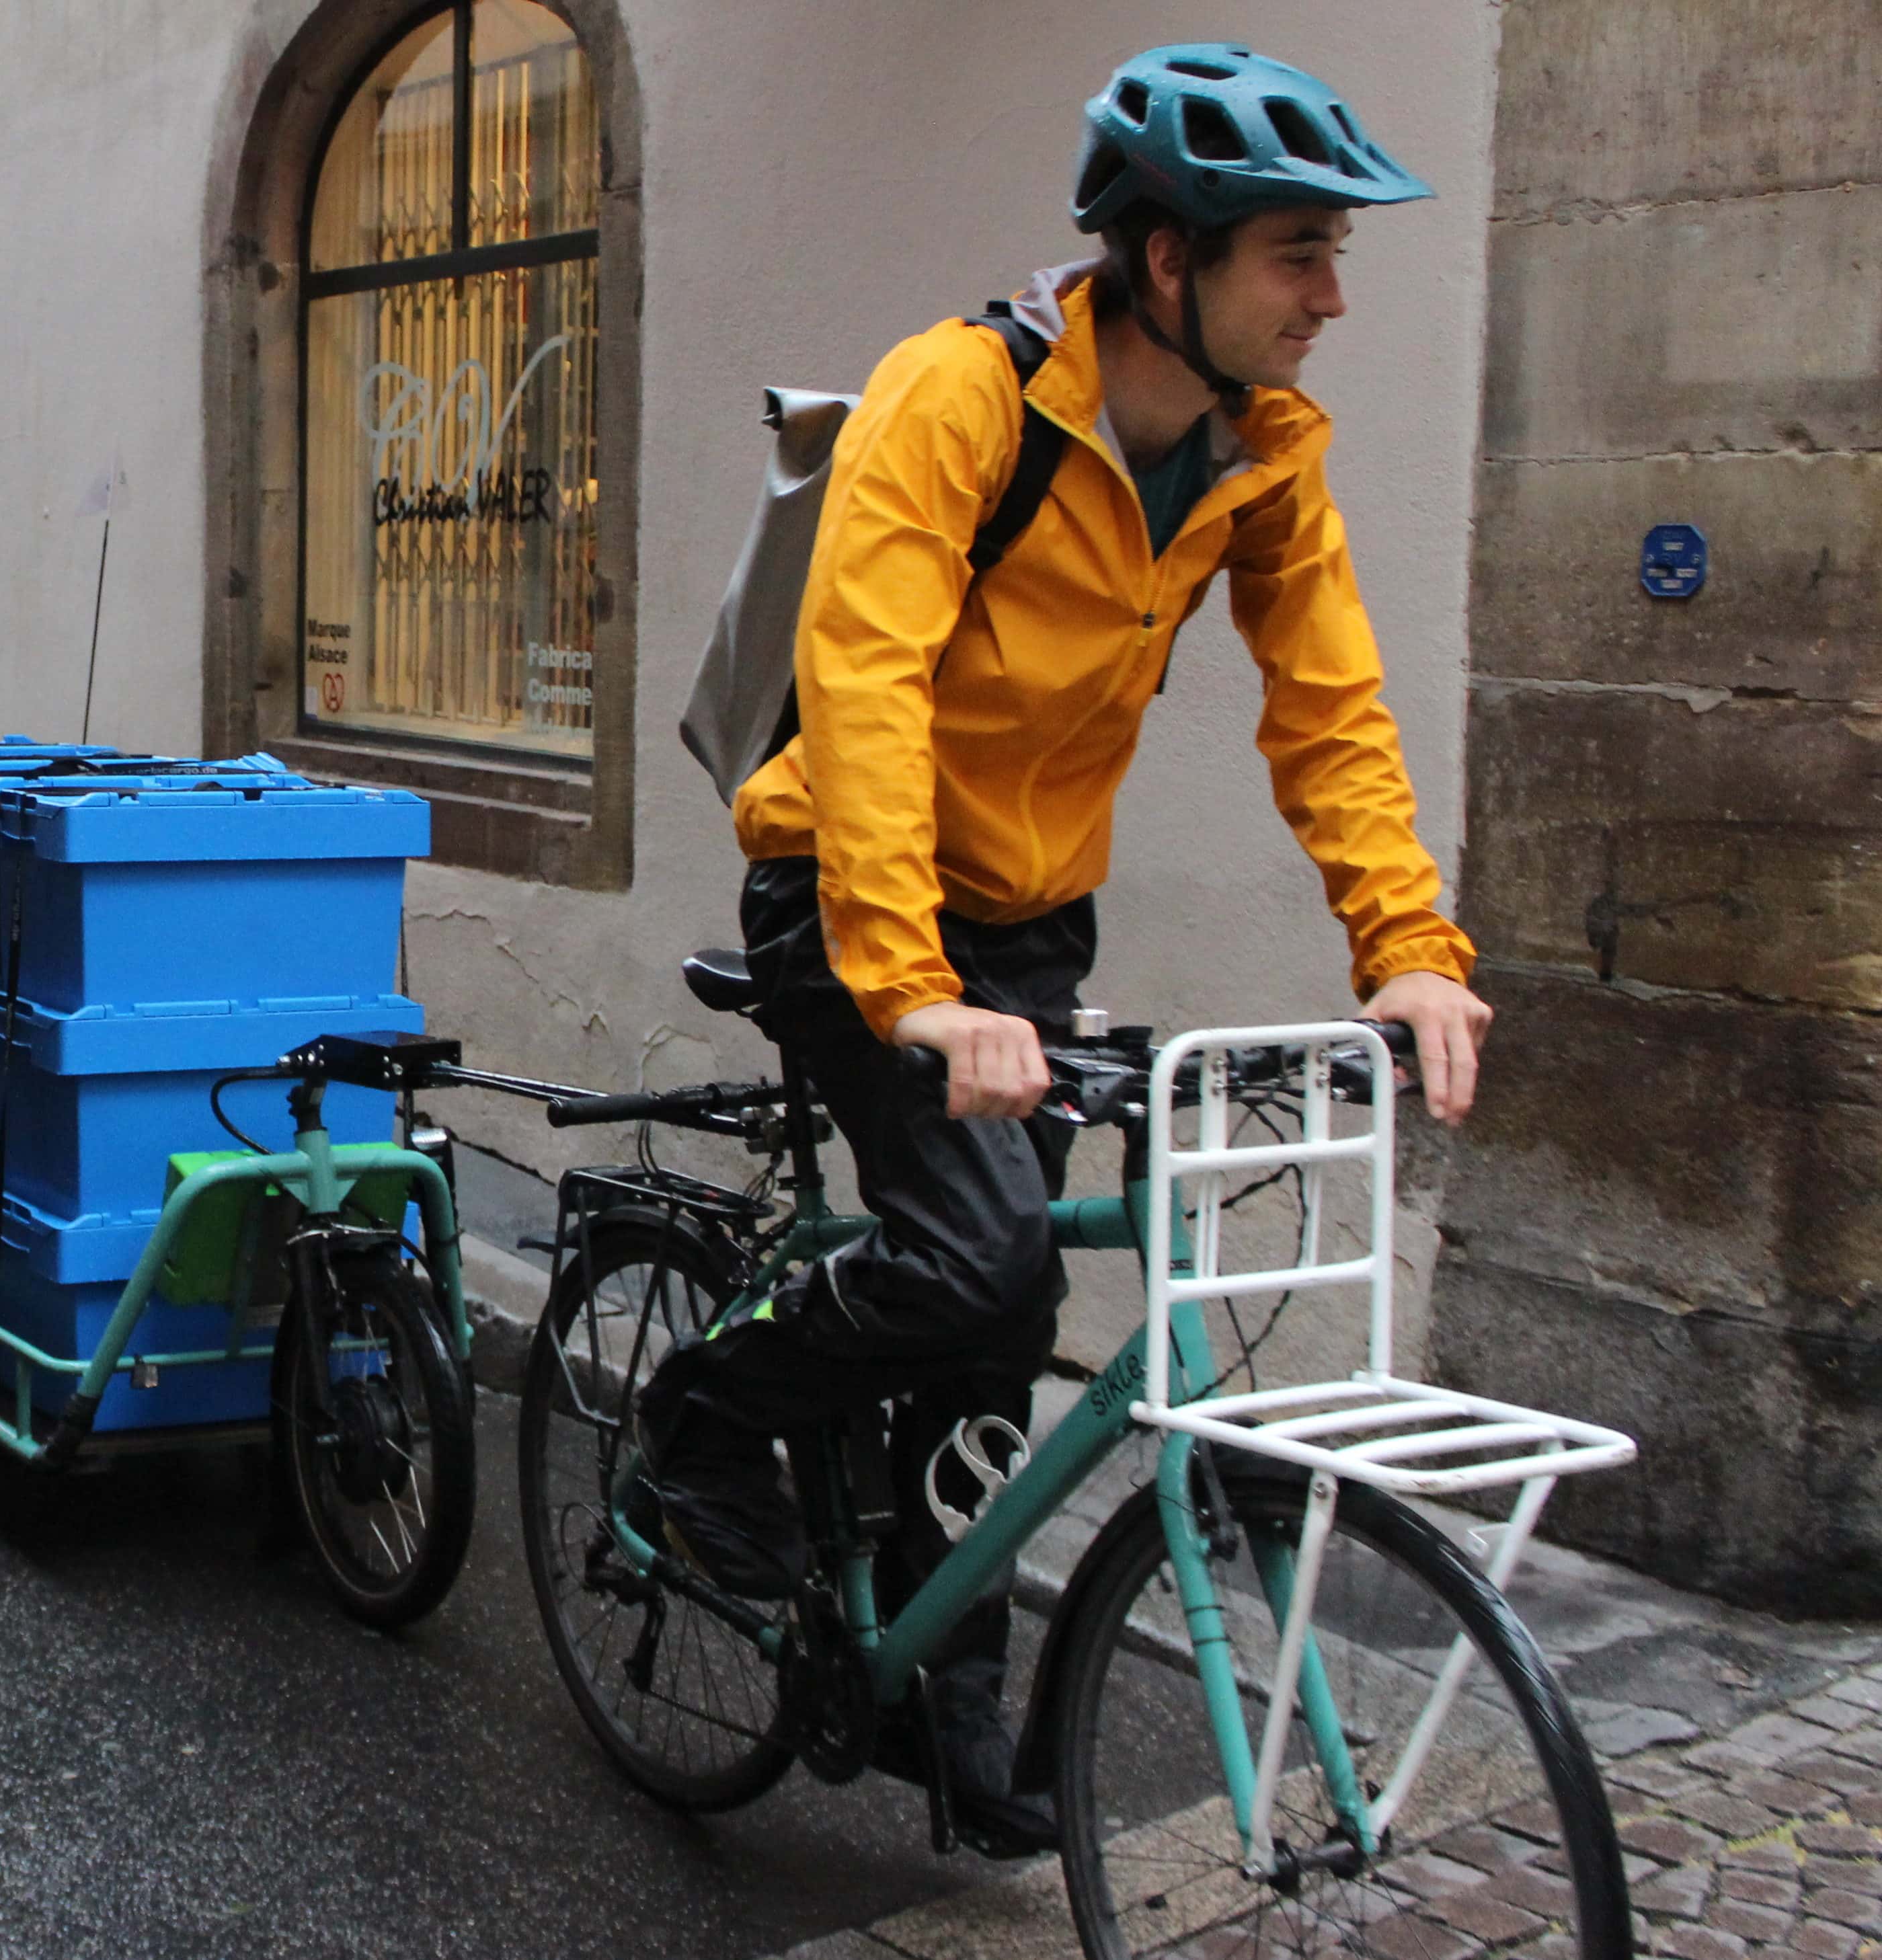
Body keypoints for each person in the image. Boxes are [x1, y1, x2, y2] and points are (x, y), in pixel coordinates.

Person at [637, 45, 1495, 1854]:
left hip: (1027, 918)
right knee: (976, 1265)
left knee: (997, 1315)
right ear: (1166, 262)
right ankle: (703, 1419)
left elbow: (1328, 706)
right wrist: (912, 986)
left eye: (1334, 254)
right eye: (1297, 254)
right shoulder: (958, 399)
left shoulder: (1261, 454)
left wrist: (1405, 944)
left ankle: (944, 1705)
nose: (1333, 295)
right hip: (851, 890)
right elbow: (861, 687)